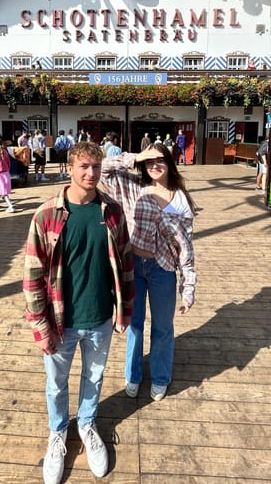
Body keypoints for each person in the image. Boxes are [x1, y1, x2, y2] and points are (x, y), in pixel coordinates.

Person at [23, 141, 134, 484]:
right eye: (83, 167)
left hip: (100, 317)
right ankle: (58, 433)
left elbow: (126, 264)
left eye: (96, 168)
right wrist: (40, 327)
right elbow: (32, 276)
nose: (91, 174)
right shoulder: (46, 214)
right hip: (60, 321)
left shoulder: (112, 211)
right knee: (56, 385)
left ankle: (86, 424)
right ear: (69, 168)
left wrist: (125, 310)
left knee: (94, 377)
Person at [101, 142, 197, 402]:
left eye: (160, 160)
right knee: (134, 325)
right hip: (133, 267)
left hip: (163, 268)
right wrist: (136, 156)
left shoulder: (180, 199)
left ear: (170, 163)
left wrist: (188, 288)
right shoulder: (134, 188)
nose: (155, 165)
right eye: (150, 162)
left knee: (163, 327)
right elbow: (104, 169)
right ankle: (133, 375)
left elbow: (186, 248)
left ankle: (160, 377)